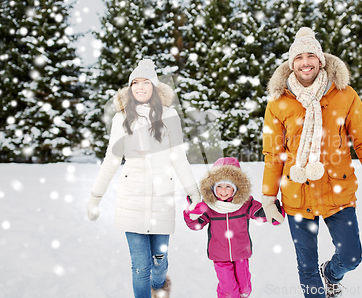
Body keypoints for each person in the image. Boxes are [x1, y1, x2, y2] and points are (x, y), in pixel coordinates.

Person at [260, 27, 362, 298]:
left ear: (321, 60)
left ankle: (331, 273)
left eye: (311, 56)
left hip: (338, 191)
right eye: (298, 57)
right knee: (306, 268)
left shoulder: (345, 95)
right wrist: (268, 196)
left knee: (352, 257)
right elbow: (273, 154)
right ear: (291, 63)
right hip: (297, 192)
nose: (305, 62)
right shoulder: (278, 102)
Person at [86, 59, 201, 298]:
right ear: (129, 87)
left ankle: (159, 284)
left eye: (145, 82)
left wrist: (194, 193)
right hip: (132, 199)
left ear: (154, 87)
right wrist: (95, 197)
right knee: (140, 267)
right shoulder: (121, 118)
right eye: (135, 83)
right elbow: (111, 160)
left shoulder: (170, 116)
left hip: (162, 199)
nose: (139, 87)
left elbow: (179, 158)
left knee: (159, 261)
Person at [183, 157, 283, 298]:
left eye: (228, 186)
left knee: (245, 289)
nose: (223, 191)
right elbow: (196, 225)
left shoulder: (245, 203)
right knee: (229, 290)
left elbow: (259, 212)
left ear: (236, 187)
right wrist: (191, 214)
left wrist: (273, 212)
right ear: (212, 187)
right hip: (219, 256)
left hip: (241, 253)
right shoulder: (210, 206)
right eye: (219, 186)